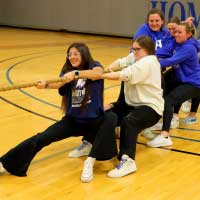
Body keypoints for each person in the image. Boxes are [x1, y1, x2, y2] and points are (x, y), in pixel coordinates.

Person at [0, 42, 118, 183]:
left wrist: (75, 74)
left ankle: (90, 161)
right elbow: (59, 83)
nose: (71, 57)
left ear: (84, 54)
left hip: (94, 121)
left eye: (75, 54)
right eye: (69, 55)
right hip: (73, 121)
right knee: (42, 138)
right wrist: (46, 85)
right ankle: (5, 163)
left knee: (110, 117)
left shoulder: (93, 66)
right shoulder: (67, 71)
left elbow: (98, 74)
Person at [99, 36, 164, 178]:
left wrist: (101, 76)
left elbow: (125, 74)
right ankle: (93, 144)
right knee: (104, 113)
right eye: (133, 48)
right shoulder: (136, 57)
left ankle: (128, 161)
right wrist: (106, 69)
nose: (133, 51)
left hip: (150, 108)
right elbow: (121, 62)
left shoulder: (148, 62)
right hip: (132, 104)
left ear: (146, 50)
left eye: (136, 49)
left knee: (130, 121)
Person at [147, 22, 200, 148]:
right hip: (181, 79)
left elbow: (171, 61)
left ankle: (165, 136)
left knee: (169, 100)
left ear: (189, 34)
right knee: (161, 90)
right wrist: (147, 56)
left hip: (193, 83)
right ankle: (162, 119)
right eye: (175, 31)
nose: (176, 34)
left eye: (180, 32)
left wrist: (149, 63)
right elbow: (161, 52)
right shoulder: (177, 42)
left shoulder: (189, 48)